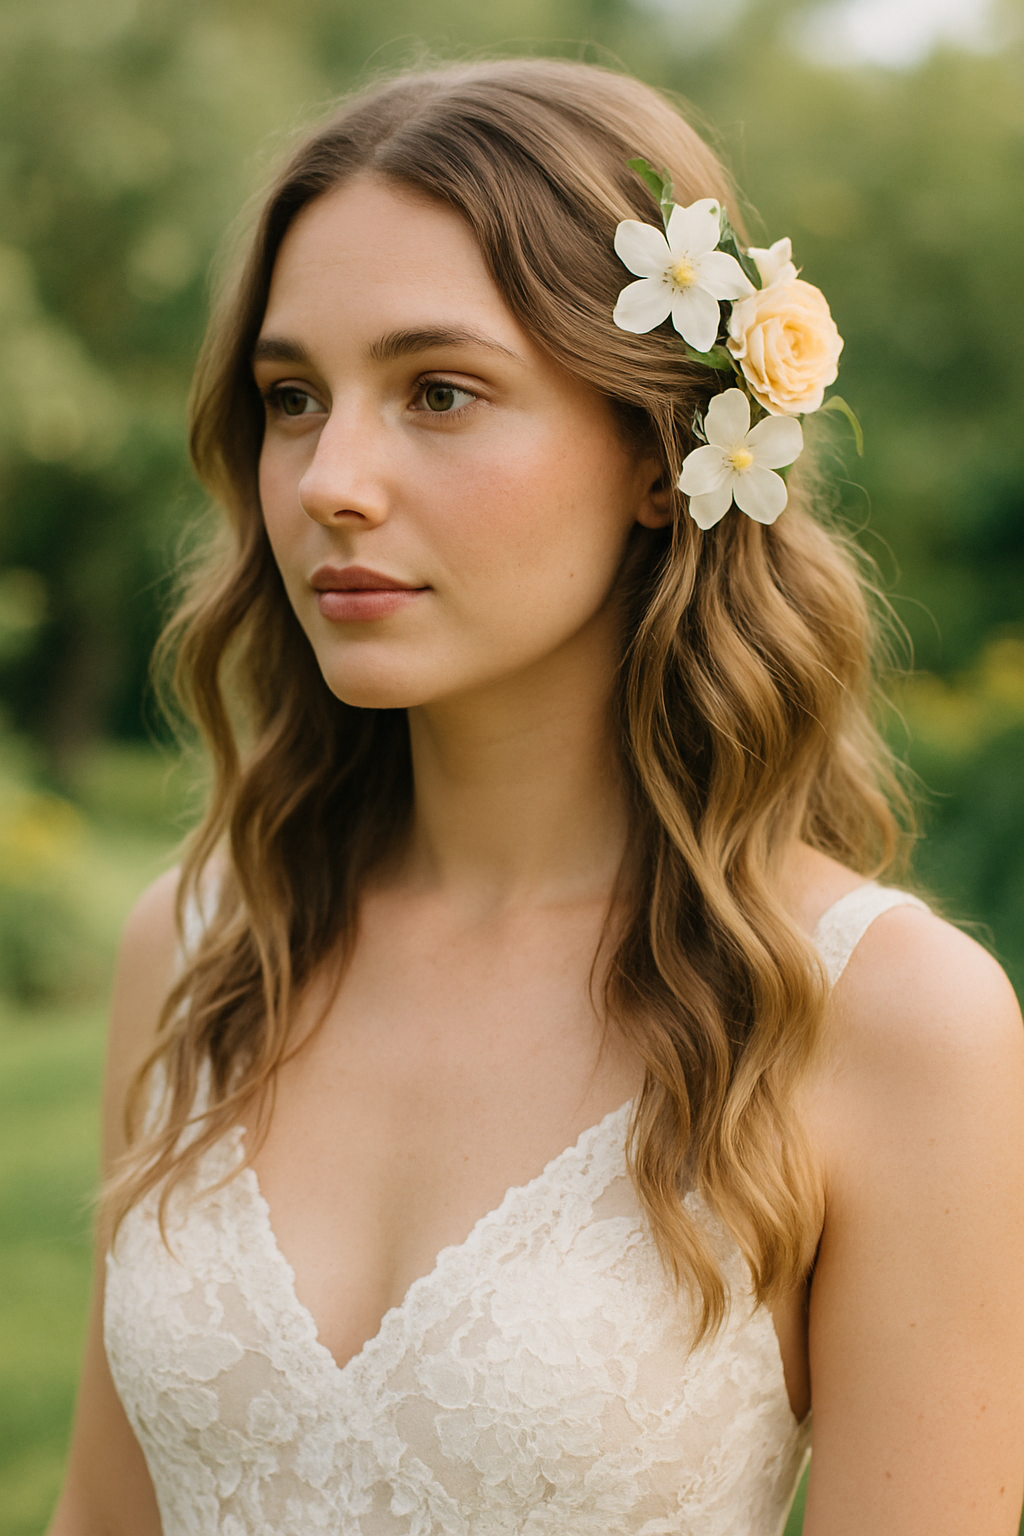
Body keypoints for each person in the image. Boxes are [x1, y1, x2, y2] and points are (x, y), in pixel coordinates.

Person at [48, 57, 1024, 1536]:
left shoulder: (884, 1019)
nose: (329, 480)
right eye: (291, 397)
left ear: (658, 453)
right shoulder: (196, 951)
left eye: (439, 392)